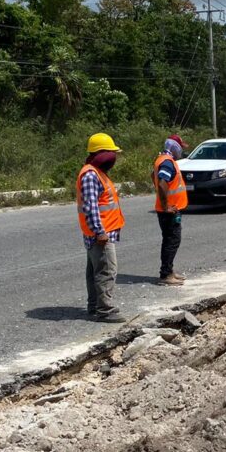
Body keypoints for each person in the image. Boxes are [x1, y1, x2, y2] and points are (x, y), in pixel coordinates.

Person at [77, 133, 126, 322]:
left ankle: (94, 306)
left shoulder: (96, 172)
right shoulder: (91, 175)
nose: (114, 158)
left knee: (95, 270)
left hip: (99, 233)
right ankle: (105, 310)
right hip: (99, 234)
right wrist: (100, 231)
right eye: (112, 153)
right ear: (102, 154)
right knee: (106, 271)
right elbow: (91, 206)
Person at [153, 134, 189, 286]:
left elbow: (153, 176)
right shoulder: (168, 163)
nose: (182, 150)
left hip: (170, 209)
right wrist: (166, 204)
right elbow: (162, 183)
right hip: (169, 211)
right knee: (171, 241)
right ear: (175, 147)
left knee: (170, 240)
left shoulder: (162, 160)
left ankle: (169, 271)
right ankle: (166, 274)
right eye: (181, 147)